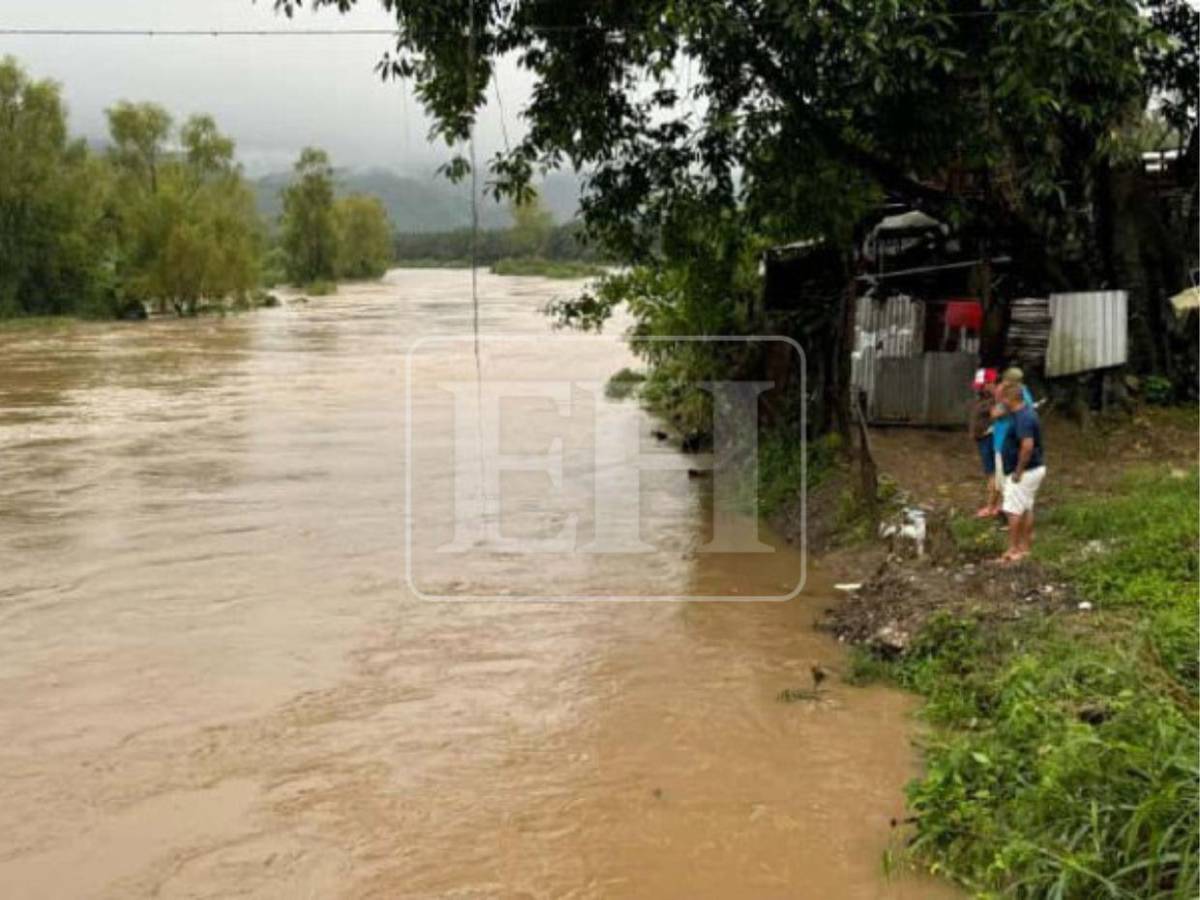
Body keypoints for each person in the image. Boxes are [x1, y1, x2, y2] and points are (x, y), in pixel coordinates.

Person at [996, 381, 1046, 563]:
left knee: (1013, 510)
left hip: (1025, 471)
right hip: (1034, 469)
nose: (1001, 402)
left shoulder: (1023, 418)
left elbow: (1027, 446)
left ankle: (1014, 549)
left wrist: (1018, 470)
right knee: (1026, 508)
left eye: (1002, 399)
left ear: (1010, 399)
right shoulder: (1022, 413)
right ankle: (1025, 548)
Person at [989, 366, 1035, 498]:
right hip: (1013, 440)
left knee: (1005, 477)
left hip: (1005, 441)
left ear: (1010, 382)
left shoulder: (1011, 397)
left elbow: (995, 413)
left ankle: (1009, 510)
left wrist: (997, 395)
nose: (1002, 383)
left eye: (1005, 381)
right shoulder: (1024, 392)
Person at [968, 368, 1000, 517]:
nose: (979, 388)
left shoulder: (996, 400)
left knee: (993, 474)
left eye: (983, 385)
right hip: (983, 439)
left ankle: (991, 507)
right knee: (992, 474)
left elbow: (999, 413)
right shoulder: (982, 398)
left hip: (989, 439)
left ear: (990, 383)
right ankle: (996, 505)